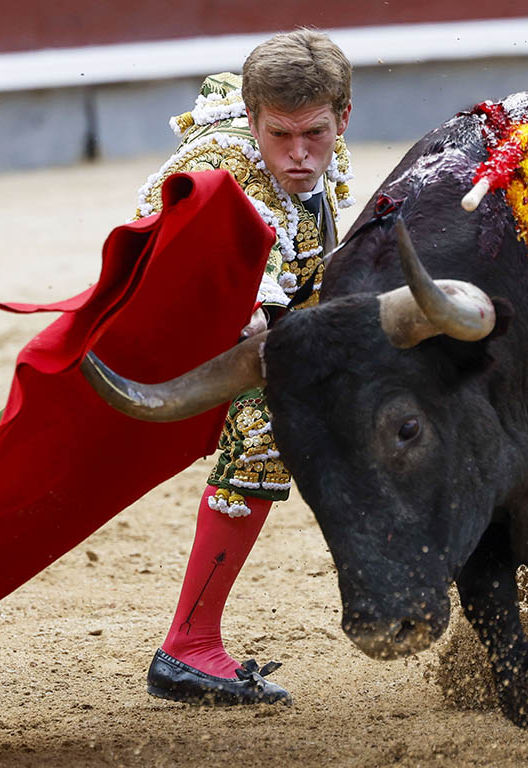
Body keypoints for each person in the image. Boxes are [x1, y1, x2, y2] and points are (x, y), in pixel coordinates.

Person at [138, 29, 355, 706]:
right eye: (279, 135)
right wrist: (245, 299)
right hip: (182, 332)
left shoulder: (306, 145)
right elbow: (167, 229)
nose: (299, 155)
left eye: (315, 134)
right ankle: (188, 646)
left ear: (343, 118)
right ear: (253, 119)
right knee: (269, 424)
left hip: (279, 313)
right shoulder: (222, 167)